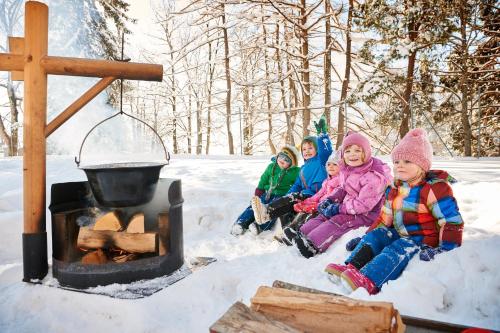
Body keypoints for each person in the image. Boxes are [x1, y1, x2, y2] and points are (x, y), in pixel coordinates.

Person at [325, 128, 464, 295]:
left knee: (399, 247)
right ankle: (352, 266)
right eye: (397, 162)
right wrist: (366, 237)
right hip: (400, 232)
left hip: (424, 239)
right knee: (378, 235)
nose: (400, 166)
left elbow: (451, 221)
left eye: (407, 161)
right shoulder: (394, 189)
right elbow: (384, 219)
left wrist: (444, 248)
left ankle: (369, 279)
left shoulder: (434, 189)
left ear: (422, 165)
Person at [288, 131, 392, 258]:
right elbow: (343, 189)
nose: (352, 155)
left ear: (366, 152)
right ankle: (302, 233)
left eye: (357, 151)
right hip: (348, 206)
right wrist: (330, 200)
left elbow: (363, 205)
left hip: (367, 215)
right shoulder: (348, 170)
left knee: (338, 219)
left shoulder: (373, 177)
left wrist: (339, 208)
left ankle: (313, 245)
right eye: (347, 151)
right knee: (324, 214)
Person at [251, 115, 333, 234]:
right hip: (304, 194)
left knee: (294, 199)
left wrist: (323, 136)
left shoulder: (322, 162)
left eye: (310, 148)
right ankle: (285, 230)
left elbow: (327, 151)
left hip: (316, 195)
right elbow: (297, 185)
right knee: (287, 206)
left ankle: (267, 212)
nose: (307, 151)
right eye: (304, 149)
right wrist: (287, 196)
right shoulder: (303, 168)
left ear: (317, 149)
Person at [231, 145, 301, 235]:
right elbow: (264, 179)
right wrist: (259, 190)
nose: (282, 160)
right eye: (281, 156)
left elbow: (299, 183)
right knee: (255, 206)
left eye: (287, 160)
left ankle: (259, 226)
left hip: (281, 196)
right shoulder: (271, 167)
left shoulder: (295, 172)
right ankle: (241, 223)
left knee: (273, 210)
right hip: (267, 193)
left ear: (292, 163)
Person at [277, 151, 342, 245]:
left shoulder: (340, 181)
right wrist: (308, 201)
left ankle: (297, 235)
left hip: (325, 207)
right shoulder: (327, 181)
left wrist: (316, 204)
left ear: (341, 166)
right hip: (318, 203)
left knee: (309, 215)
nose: (331, 167)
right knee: (302, 211)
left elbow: (333, 197)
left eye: (335, 164)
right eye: (329, 164)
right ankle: (289, 232)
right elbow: (319, 194)